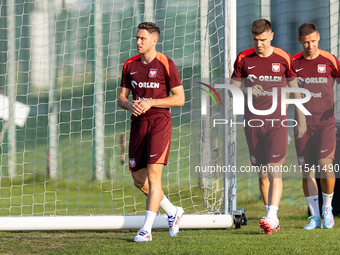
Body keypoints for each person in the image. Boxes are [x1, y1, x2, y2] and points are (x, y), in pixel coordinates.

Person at [231, 19, 307, 234]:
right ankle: (270, 219)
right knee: (262, 175)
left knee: (275, 172)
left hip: (277, 123)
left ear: (271, 35)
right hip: (253, 124)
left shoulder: (283, 58)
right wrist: (246, 91)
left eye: (263, 39)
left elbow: (295, 91)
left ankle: (272, 215)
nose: (259, 44)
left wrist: (300, 119)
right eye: (255, 40)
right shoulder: (243, 58)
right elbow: (231, 90)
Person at [118, 22, 185, 242]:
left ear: (154, 40)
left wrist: (151, 102)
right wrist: (130, 105)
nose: (138, 42)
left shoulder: (166, 63)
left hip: (160, 122)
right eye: (137, 38)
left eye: (142, 38)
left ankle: (146, 230)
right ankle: (172, 211)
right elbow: (121, 98)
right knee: (139, 180)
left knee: (154, 178)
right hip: (138, 124)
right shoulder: (129, 65)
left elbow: (180, 99)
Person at [293, 22, 340, 230]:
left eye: (312, 41)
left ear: (318, 37)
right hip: (302, 124)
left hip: (326, 123)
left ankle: (327, 209)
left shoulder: (330, 60)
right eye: (305, 43)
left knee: (325, 165)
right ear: (299, 41)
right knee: (307, 171)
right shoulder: (293, 63)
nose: (309, 46)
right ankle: (314, 217)